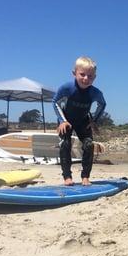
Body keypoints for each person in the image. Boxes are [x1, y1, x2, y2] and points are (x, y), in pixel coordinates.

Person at [53, 56, 106, 186]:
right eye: (82, 74)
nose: (86, 79)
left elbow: (102, 104)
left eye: (90, 76)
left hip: (83, 121)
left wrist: (94, 121)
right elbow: (55, 102)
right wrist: (62, 121)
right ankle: (67, 177)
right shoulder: (67, 88)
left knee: (89, 145)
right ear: (74, 73)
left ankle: (85, 177)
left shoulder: (95, 92)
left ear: (95, 77)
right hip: (67, 120)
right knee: (65, 144)